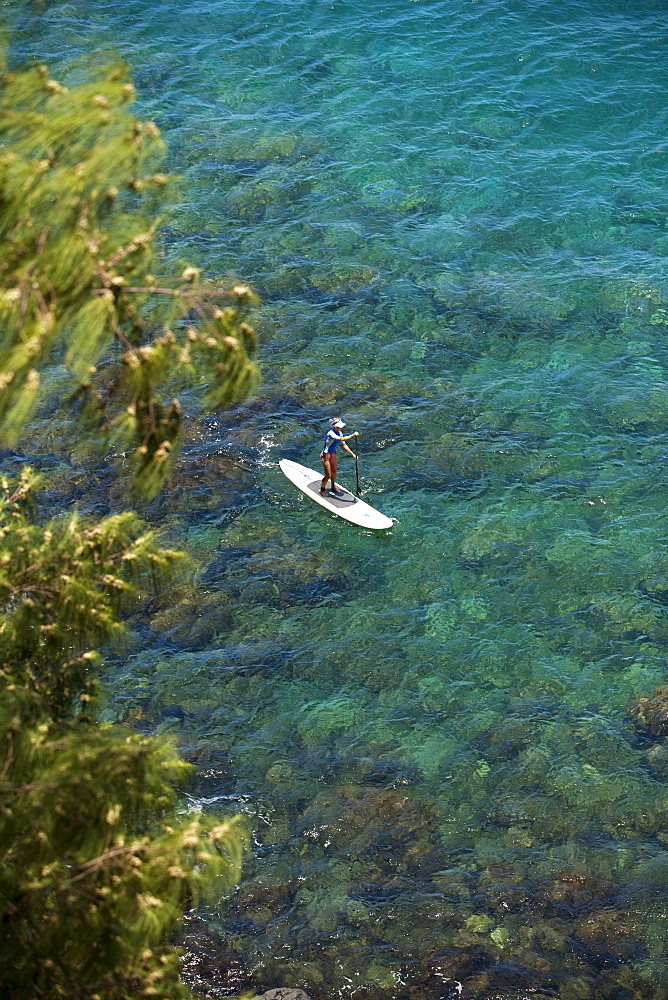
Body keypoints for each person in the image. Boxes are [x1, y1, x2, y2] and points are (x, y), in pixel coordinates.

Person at [320, 417, 358, 495]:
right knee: (328, 475)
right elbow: (341, 439)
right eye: (339, 427)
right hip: (326, 455)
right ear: (335, 427)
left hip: (333, 453)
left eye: (340, 427)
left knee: (334, 472)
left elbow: (343, 445)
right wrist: (352, 435)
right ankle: (322, 490)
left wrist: (353, 454)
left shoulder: (340, 433)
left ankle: (333, 486)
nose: (340, 429)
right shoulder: (331, 433)